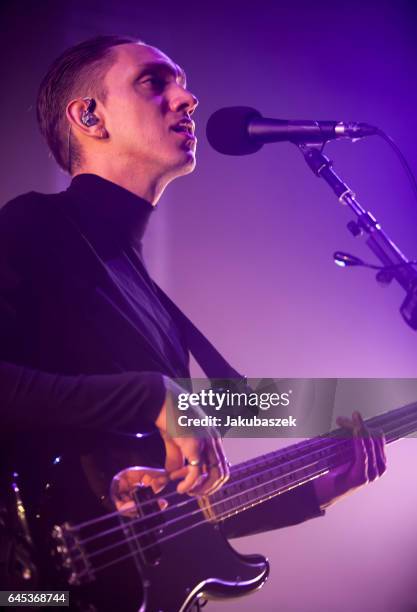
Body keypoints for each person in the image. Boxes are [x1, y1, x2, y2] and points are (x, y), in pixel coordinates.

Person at [0, 35, 386, 594]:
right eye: (154, 82)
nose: (188, 98)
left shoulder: (148, 300)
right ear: (89, 115)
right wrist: (155, 395)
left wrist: (319, 491)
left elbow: (159, 524)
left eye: (181, 82)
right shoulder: (36, 227)